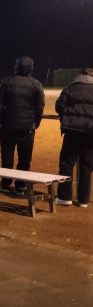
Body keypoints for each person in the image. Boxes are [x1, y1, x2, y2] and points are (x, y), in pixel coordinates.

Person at [0, 57, 45, 193]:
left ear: (16, 67)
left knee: (6, 156)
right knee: (24, 158)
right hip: (27, 127)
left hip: (7, 126)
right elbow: (40, 107)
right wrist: (35, 123)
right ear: (31, 68)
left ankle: (5, 183)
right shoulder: (36, 84)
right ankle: (20, 185)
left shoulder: (7, 81)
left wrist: (1, 120)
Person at [55, 68, 93, 207]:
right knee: (86, 166)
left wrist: (66, 117)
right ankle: (83, 200)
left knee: (66, 162)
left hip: (72, 130)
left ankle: (65, 197)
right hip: (90, 131)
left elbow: (59, 106)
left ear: (80, 76)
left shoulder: (71, 87)